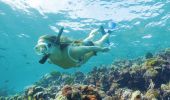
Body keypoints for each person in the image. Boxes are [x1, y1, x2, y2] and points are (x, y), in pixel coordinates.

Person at [34, 26, 110, 69]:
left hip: (84, 48)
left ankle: (108, 32)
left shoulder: (72, 52)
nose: (43, 51)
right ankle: (95, 31)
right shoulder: (49, 58)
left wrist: (102, 49)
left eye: (44, 47)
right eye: (39, 49)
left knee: (100, 42)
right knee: (85, 40)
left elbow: (89, 48)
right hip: (77, 45)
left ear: (55, 44)